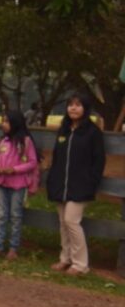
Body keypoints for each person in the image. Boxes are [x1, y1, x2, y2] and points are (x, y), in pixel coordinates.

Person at [46, 92, 106, 275]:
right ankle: (65, 259)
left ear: (85, 109)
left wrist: (91, 182)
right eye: (70, 104)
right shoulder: (63, 130)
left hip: (80, 187)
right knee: (63, 223)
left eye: (78, 105)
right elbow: (56, 157)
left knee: (72, 221)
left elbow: (99, 161)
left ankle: (81, 264)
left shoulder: (92, 132)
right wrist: (53, 179)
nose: (73, 108)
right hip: (60, 186)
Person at [0, 110, 39, 261]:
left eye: (7, 121)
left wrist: (14, 170)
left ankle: (13, 248)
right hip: (1, 183)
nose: (3, 124)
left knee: (16, 216)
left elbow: (32, 162)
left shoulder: (26, 142)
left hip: (18, 184)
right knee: (1, 215)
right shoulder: (1, 141)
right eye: (3, 121)